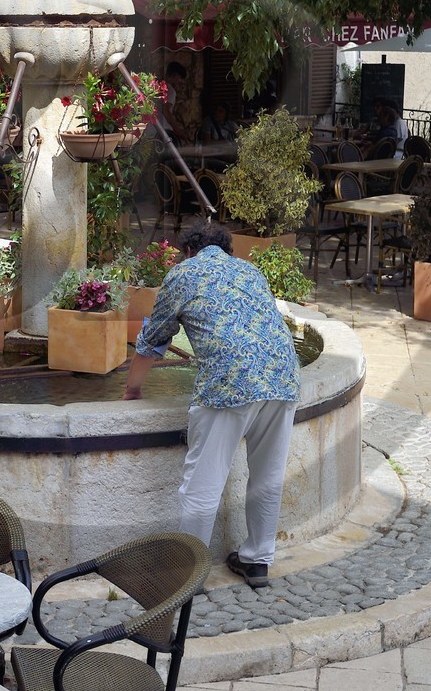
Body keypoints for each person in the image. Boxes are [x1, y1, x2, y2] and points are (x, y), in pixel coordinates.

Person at [123, 222, 300, 589]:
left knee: (202, 486)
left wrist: (132, 390)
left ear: (188, 251)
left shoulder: (183, 273)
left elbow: (152, 340)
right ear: (227, 249)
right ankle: (257, 561)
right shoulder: (249, 270)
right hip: (283, 376)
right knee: (268, 478)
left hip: (228, 383)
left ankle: (190, 575)